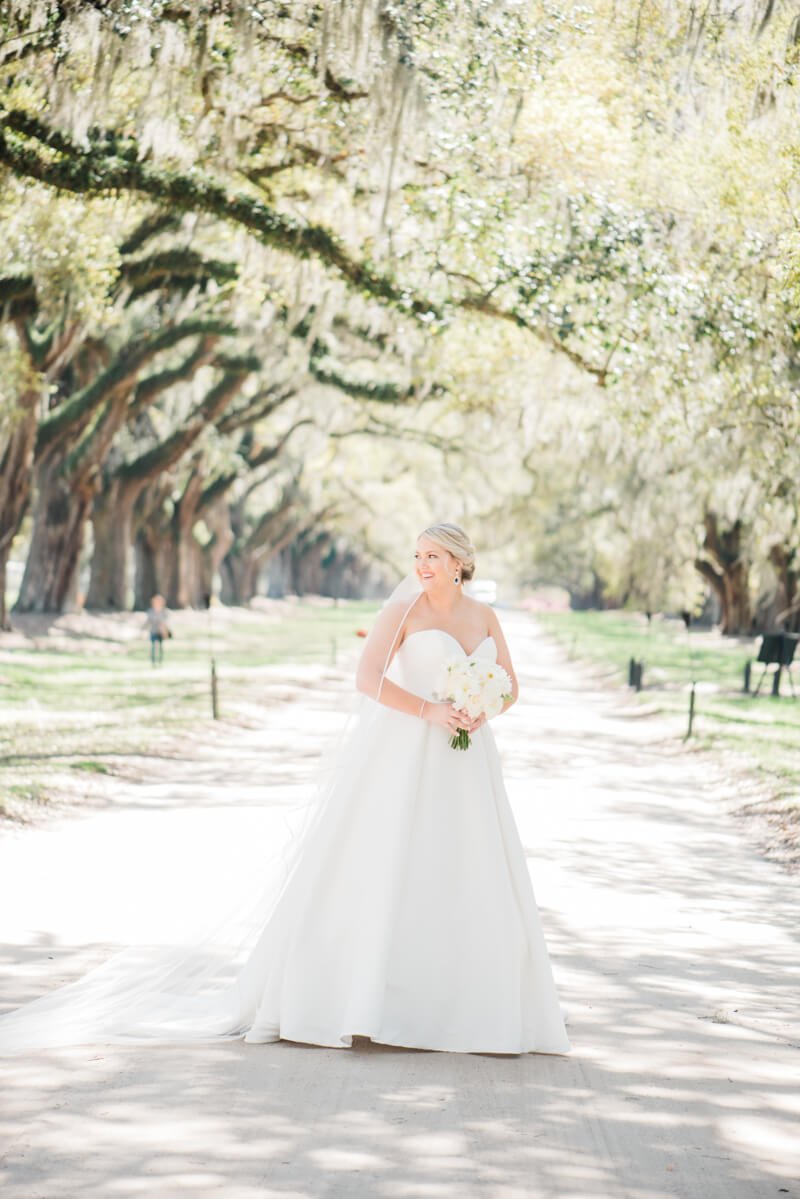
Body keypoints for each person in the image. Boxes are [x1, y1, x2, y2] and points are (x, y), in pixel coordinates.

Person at [0, 523, 568, 1056]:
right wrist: (430, 711)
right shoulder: (403, 611)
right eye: (417, 556)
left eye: (433, 557)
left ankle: (464, 1004)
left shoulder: (485, 615)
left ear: (459, 563)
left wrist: (480, 710)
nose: (421, 565)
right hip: (406, 752)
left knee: (466, 864)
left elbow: (510, 686)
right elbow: (367, 679)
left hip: (467, 762)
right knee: (390, 862)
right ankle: (364, 999)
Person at [145, 594, 171, 665]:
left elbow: (166, 622)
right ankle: (153, 661)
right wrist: (143, 629)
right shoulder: (151, 611)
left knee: (160, 647)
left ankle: (160, 661)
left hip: (161, 632)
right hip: (153, 631)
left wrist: (165, 631)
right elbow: (148, 622)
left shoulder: (165, 612)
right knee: (153, 646)